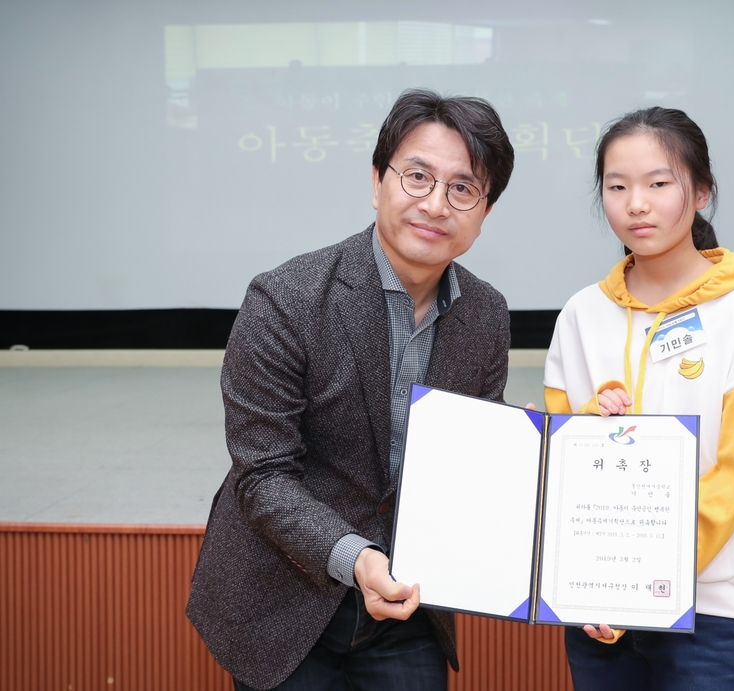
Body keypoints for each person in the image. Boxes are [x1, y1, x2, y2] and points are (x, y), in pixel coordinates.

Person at [187, 89, 515, 691]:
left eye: (462, 188)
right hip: (283, 599)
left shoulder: (486, 314)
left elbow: (471, 460)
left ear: (485, 211)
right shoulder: (286, 300)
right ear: (377, 181)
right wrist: (357, 558)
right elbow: (263, 475)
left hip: (409, 604)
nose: (435, 204)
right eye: (417, 177)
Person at [543, 107, 734, 690]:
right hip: (599, 606)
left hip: (709, 606)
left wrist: (651, 576)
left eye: (657, 183)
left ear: (701, 192)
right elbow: (558, 462)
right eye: (617, 187)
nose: (636, 204)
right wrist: (584, 426)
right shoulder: (580, 314)